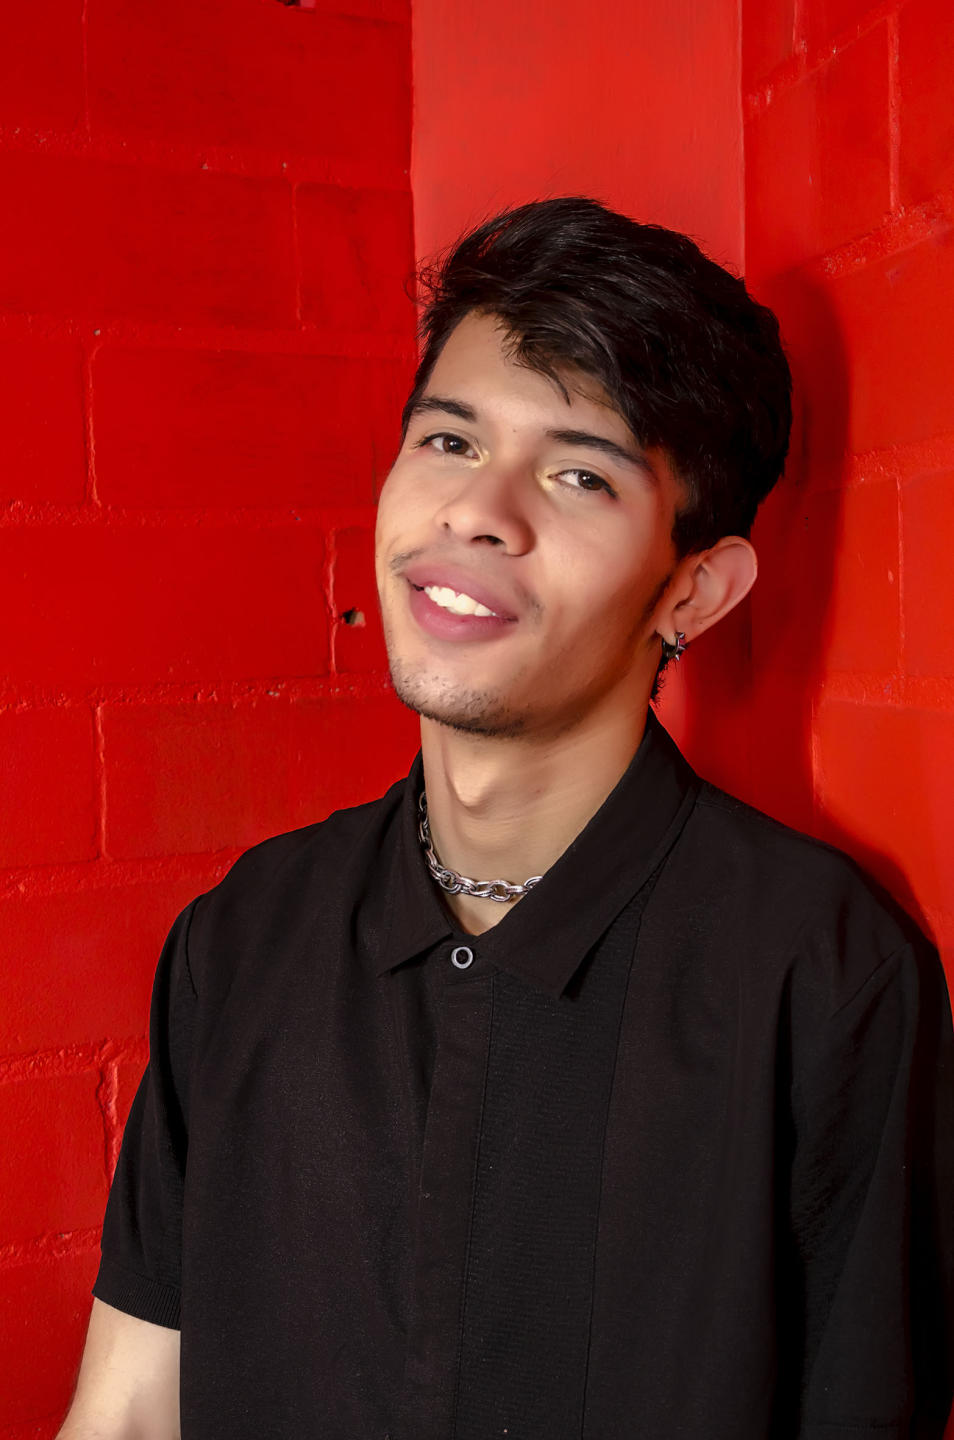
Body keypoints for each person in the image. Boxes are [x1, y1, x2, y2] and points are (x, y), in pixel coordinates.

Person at [59, 198, 954, 1439]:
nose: (480, 511)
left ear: (695, 590)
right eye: (450, 440)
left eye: (580, 474)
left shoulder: (825, 972)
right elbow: (127, 1412)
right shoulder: (246, 932)